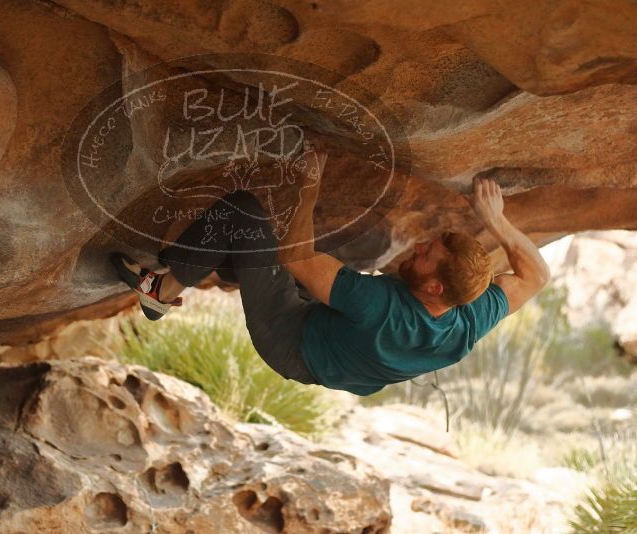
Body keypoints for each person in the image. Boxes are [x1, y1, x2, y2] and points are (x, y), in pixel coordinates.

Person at [111, 143, 551, 395]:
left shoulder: (381, 306)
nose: (417, 248)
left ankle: (160, 291)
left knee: (244, 213)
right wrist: (495, 221)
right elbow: (536, 277)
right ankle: (228, 266)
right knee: (281, 254)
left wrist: (309, 187)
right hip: (333, 338)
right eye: (427, 243)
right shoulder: (470, 314)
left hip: (291, 341)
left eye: (424, 255)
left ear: (434, 287)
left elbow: (296, 258)